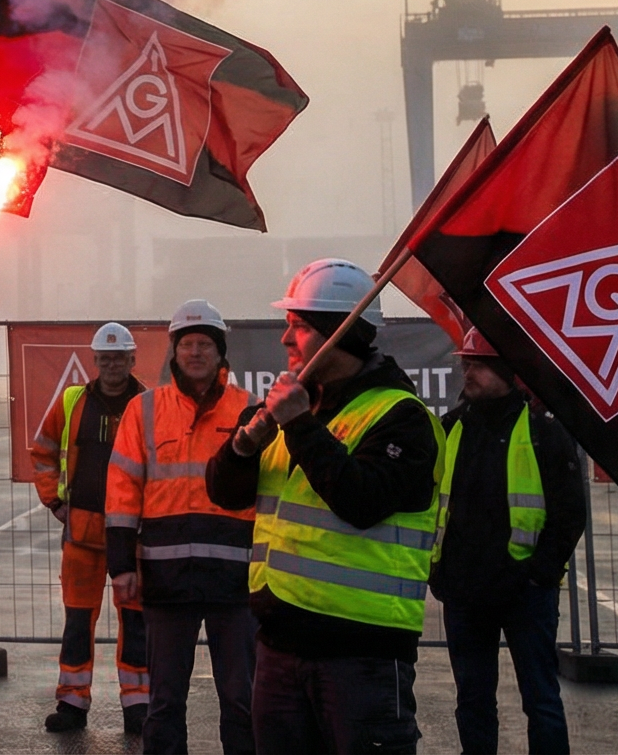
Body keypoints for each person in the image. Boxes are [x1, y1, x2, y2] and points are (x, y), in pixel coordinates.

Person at [207, 259, 442, 755]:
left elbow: (362, 501)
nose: (285, 339)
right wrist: (243, 447)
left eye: (300, 325)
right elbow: (224, 492)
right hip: (278, 644)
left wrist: (300, 425)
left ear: (341, 334)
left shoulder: (402, 416)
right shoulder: (286, 406)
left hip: (362, 654)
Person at [105, 300, 256, 755]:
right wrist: (120, 566)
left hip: (236, 581)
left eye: (205, 344)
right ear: (174, 351)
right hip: (166, 580)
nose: (195, 352)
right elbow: (123, 489)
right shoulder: (144, 410)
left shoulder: (249, 409)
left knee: (242, 701)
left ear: (220, 351)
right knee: (165, 701)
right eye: (187, 344)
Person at [431, 328, 586, 755]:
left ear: (507, 371)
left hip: (525, 595)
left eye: (478, 365)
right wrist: (439, 573)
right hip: (464, 592)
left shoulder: (542, 433)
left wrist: (538, 575)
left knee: (541, 700)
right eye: (466, 363)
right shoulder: (451, 427)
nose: (468, 372)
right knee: (473, 700)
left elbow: (570, 513)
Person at [31, 322, 150, 733]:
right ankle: (72, 703)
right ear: (95, 361)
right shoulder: (72, 401)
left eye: (119, 358)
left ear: (132, 359)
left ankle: (138, 705)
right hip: (81, 532)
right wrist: (54, 500)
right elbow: (43, 451)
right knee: (78, 623)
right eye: (105, 358)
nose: (112, 365)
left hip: (134, 535)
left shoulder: (148, 405)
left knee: (136, 623)